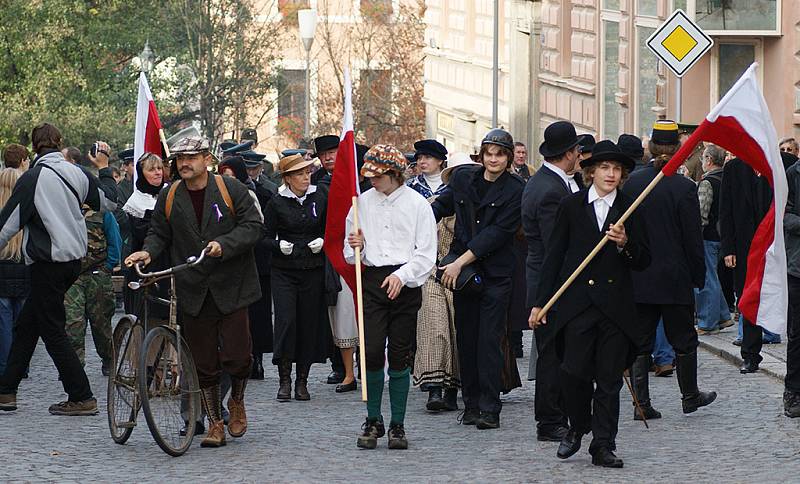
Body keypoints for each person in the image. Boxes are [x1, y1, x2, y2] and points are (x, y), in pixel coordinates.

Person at [125, 136, 263, 448]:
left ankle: (237, 401)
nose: (184, 164)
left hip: (233, 285)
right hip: (193, 287)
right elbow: (159, 232)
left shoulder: (232, 190)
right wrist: (147, 253)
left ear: (207, 159)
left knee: (239, 356)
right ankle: (215, 423)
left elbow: (254, 226)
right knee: (203, 363)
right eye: (179, 159)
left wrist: (223, 245)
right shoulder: (171, 195)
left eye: (191, 157)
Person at [531, 140, 650, 468]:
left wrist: (625, 243)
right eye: (604, 168)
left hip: (615, 309)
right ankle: (578, 426)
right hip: (577, 306)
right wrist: (540, 303)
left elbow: (644, 259)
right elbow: (553, 256)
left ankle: (603, 444)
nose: (611, 174)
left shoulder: (631, 205)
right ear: (591, 172)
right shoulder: (571, 206)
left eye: (616, 169)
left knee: (609, 380)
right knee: (573, 374)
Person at [0, 123, 114, 416]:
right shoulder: (77, 173)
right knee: (28, 325)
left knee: (51, 329)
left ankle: (82, 395)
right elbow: (109, 202)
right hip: (74, 262)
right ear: (59, 142)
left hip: (46, 263)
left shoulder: (33, 178)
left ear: (34, 147)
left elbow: (7, 226)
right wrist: (103, 168)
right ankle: (6, 391)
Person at [431, 128, 524, 429]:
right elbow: (439, 207)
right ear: (481, 156)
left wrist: (458, 262)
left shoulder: (515, 189)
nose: (493, 159)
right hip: (464, 275)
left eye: (499, 154)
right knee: (466, 339)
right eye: (489, 153)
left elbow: (496, 235)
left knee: (489, 341)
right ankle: (470, 404)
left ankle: (489, 407)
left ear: (508, 158)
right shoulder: (463, 179)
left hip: (495, 274)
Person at [623, 121, 716, 421]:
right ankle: (689, 396)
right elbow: (692, 238)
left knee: (640, 342)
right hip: (674, 277)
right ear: (678, 149)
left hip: (639, 275)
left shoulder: (634, 183)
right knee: (684, 341)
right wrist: (697, 275)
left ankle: (641, 404)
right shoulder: (683, 187)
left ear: (650, 148)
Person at [347, 144, 437, 450]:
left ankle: (398, 424)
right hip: (372, 280)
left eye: (379, 176)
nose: (373, 181)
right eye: (370, 176)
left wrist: (402, 275)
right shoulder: (360, 204)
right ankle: (373, 419)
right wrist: (355, 244)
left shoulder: (417, 205)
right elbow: (349, 255)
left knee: (400, 353)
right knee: (370, 350)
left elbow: (426, 256)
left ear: (395, 174)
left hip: (405, 282)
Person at [521, 120, 582, 442]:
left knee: (562, 352)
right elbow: (555, 245)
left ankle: (563, 412)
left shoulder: (556, 182)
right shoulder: (548, 190)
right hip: (552, 282)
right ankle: (549, 420)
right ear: (569, 153)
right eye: (577, 152)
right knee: (552, 355)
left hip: (556, 280)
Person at [263, 153, 330, 402]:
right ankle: (284, 379)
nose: (306, 177)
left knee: (308, 324)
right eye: (300, 173)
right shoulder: (276, 201)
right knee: (286, 321)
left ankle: (302, 379)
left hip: (312, 268)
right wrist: (278, 245)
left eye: (307, 172)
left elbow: (330, 227)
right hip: (284, 270)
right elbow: (264, 236)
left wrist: (322, 240)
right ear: (288, 178)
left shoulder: (319, 196)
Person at [407, 142, 460, 410]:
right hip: (427, 267)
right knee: (432, 326)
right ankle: (434, 387)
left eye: (428, 157)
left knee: (457, 329)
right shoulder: (411, 191)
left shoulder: (460, 194)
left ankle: (454, 386)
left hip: (459, 267)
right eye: (420, 157)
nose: (423, 161)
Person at [720, 154, 774, 373]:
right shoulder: (733, 168)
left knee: (776, 297)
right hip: (743, 248)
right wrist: (728, 248)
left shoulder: (777, 166)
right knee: (748, 297)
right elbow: (726, 211)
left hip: (772, 246)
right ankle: (751, 354)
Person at [695, 145, 734, 334]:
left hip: (708, 236)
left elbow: (702, 212)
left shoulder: (707, 182)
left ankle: (708, 322)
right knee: (714, 277)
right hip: (723, 236)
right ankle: (724, 316)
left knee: (708, 279)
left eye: (703, 157)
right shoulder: (727, 179)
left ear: (709, 159)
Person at [0, 168, 29, 376]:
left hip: (2, 271)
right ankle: (21, 366)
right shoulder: (25, 207)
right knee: (22, 323)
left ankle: (4, 368)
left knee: (3, 324)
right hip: (23, 268)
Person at [784, 152, 800, 417]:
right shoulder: (793, 174)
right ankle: (793, 392)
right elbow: (782, 215)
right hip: (798, 268)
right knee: (797, 334)